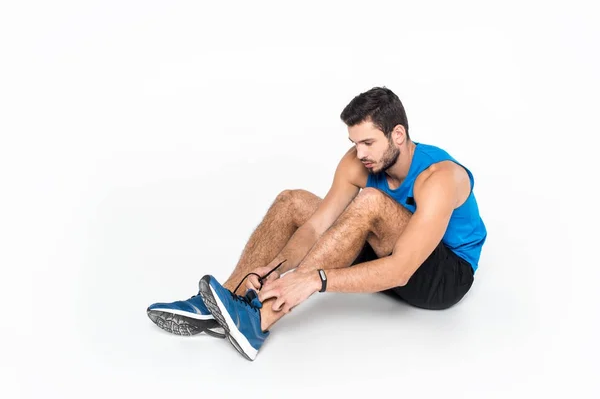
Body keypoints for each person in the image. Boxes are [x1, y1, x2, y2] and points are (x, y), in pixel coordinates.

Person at [146, 86, 487, 361]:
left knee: (369, 202)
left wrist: (313, 280)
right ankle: (227, 297)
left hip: (441, 275)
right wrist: (275, 268)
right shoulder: (360, 163)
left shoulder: (440, 177)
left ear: (398, 134)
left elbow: (401, 270)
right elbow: (315, 227)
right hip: (385, 253)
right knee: (292, 200)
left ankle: (260, 319)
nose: (361, 153)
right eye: (354, 143)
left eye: (368, 142)